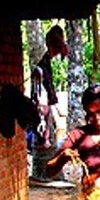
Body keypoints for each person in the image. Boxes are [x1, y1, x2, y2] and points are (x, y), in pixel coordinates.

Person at [29, 25, 69, 179]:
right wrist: (43, 122)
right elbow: (40, 98)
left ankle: (47, 175)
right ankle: (43, 176)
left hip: (45, 109)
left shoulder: (45, 63)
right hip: (42, 109)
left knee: (47, 145)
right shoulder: (40, 66)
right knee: (43, 144)